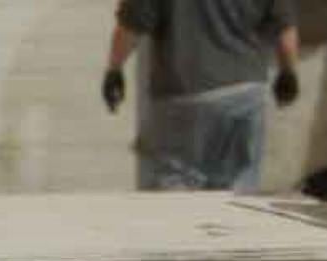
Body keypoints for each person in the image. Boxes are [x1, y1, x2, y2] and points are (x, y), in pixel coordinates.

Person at [102, 0, 301, 193]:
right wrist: (288, 72)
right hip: (245, 92)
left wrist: (115, 69)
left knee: (176, 186)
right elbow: (283, 25)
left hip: (184, 93)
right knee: (238, 192)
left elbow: (132, 23)